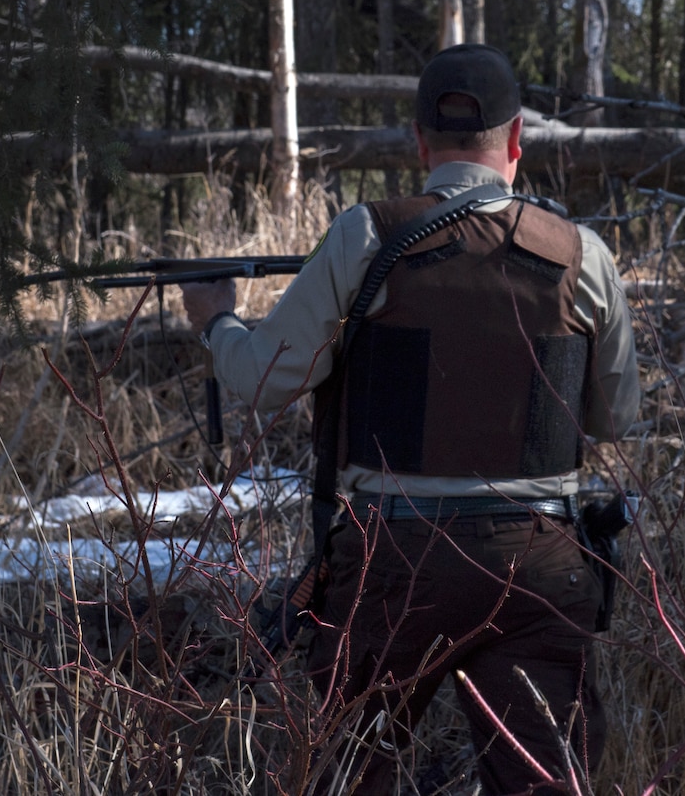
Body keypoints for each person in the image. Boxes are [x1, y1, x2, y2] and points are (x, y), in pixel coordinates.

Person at [181, 43, 640, 796]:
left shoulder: (367, 237)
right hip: (538, 564)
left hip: (393, 562)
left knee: (346, 776)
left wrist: (216, 322)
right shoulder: (582, 255)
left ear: (419, 142)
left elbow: (265, 379)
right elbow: (615, 415)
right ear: (517, 139)